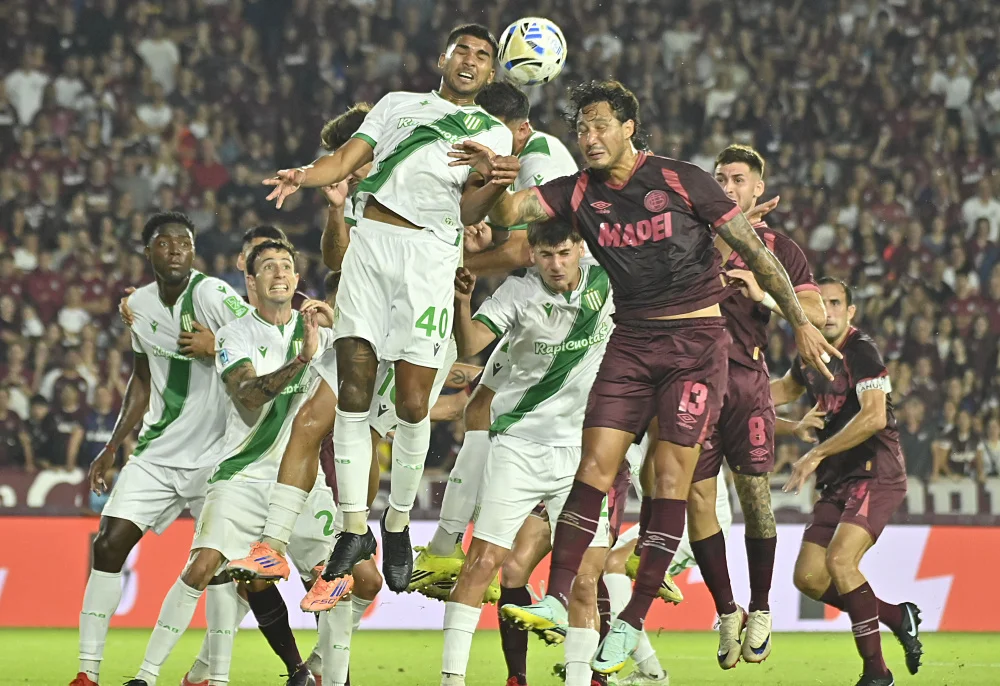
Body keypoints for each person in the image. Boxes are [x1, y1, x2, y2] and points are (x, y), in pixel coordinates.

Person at [455, 79, 838, 673]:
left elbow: (759, 254)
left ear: (629, 127)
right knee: (593, 466)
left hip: (694, 345)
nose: (589, 137)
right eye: (581, 128)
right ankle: (557, 597)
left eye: (600, 125)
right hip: (631, 340)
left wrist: (802, 323)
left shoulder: (682, 180)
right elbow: (505, 213)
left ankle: (633, 619)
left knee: (669, 479)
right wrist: (494, 176)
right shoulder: (578, 191)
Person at [237, 24, 517, 592]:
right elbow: (346, 158)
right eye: (461, 50)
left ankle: (397, 523)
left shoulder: (492, 132)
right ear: (443, 58)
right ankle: (352, 529)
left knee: (413, 403)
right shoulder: (397, 104)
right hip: (371, 247)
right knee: (353, 393)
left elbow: (472, 211)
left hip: (429, 257)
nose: (469, 60)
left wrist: (492, 178)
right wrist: (304, 175)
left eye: (482, 56)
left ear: (491, 72)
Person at [122, 240, 337, 686]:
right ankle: (146, 675)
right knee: (202, 566)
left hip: (303, 481)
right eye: (268, 267)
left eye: (286, 266)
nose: (279, 273)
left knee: (341, 580)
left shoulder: (325, 335)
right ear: (252, 282)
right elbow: (247, 397)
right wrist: (302, 360)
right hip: (243, 474)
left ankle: (318, 671)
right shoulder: (234, 335)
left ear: (297, 280)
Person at [410, 80, 579, 593]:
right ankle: (448, 547)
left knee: (504, 413)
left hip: (568, 302)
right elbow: (510, 237)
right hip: (541, 296)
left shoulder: (541, 159)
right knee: (480, 406)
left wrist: (452, 260)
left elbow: (530, 249)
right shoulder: (504, 158)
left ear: (521, 131)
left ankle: (456, 547)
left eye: (496, 132)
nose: (486, 140)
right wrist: (487, 237)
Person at [71, 212, 251, 686]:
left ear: (194, 251)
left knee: (223, 571)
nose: (176, 250)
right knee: (108, 544)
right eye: (165, 243)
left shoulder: (212, 294)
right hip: (156, 452)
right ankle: (87, 671)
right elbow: (142, 377)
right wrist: (113, 444)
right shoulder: (139, 305)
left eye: (184, 243)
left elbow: (262, 331)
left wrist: (219, 343)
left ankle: (210, 673)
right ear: (147, 251)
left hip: (216, 456)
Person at [440, 222, 614, 686]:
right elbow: (471, 345)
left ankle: (579, 680)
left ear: (579, 249)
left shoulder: (606, 279)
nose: (556, 264)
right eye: (545, 255)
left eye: (563, 253)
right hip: (518, 446)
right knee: (484, 563)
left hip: (580, 453)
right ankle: (451, 679)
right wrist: (462, 302)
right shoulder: (518, 293)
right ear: (532, 256)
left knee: (585, 577)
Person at [685, 144, 827, 668]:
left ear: (758, 188)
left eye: (737, 179)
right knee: (697, 499)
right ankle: (727, 611)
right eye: (719, 178)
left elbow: (814, 311)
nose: (726, 186)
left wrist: (764, 292)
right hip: (691, 383)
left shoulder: (777, 248)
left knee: (755, 499)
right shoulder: (692, 237)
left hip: (746, 383)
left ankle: (762, 608)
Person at [772, 278, 923, 686]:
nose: (829, 312)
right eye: (821, 304)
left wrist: (816, 453)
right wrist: (732, 394)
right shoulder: (809, 354)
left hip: (877, 473)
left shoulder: (861, 351)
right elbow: (782, 390)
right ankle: (897, 616)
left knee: (840, 561)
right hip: (837, 480)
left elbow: (874, 416)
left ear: (850, 311)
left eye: (837, 303)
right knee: (808, 577)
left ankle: (877, 674)